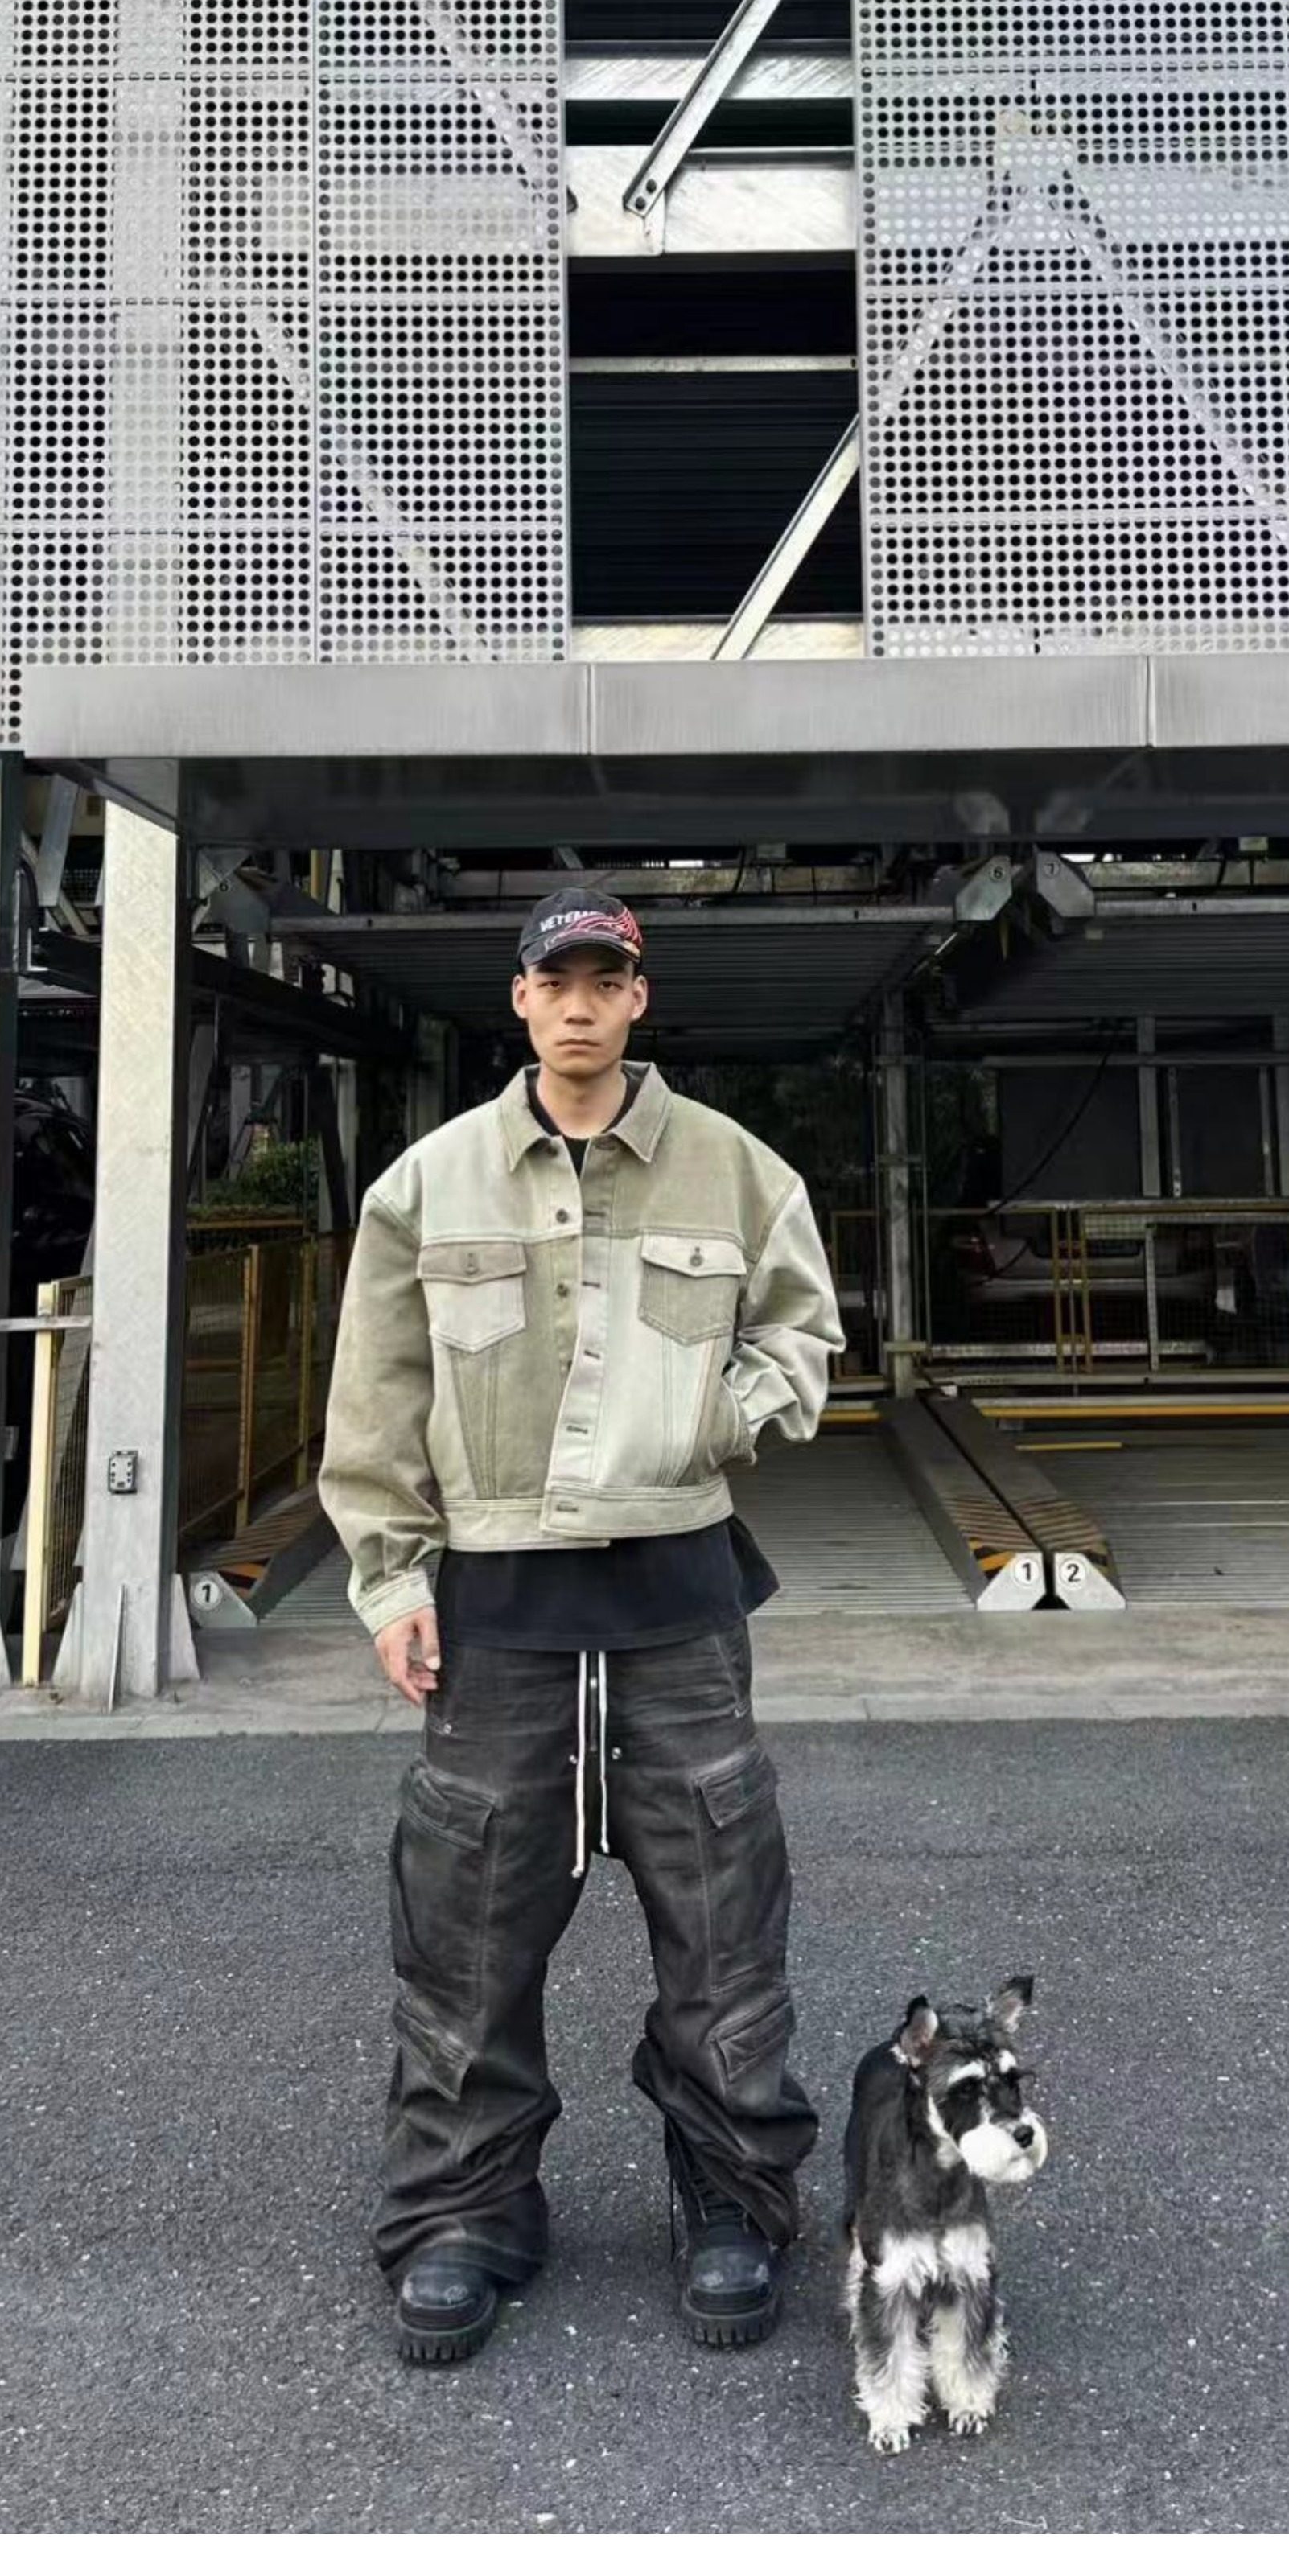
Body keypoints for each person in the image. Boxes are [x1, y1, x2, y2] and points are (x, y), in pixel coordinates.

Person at [319, 888, 845, 2365]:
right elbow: (377, 1394)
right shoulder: (430, 1185)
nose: (578, 1003)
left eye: (604, 980)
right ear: (520, 998)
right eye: (555, 980)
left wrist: (712, 1420)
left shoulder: (736, 1170)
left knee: (724, 1927)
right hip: (498, 1613)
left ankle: (732, 2199)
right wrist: (393, 1579)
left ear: (636, 999)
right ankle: (463, 2214)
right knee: (467, 1933)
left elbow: (803, 1332)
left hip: (680, 1602)